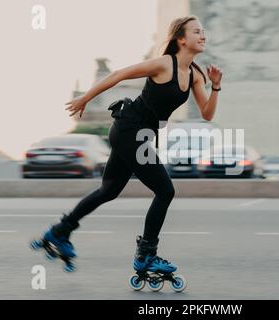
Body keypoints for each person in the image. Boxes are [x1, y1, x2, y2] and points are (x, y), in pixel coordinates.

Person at [35, 16, 222, 275]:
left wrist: (216, 87)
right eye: (196, 31)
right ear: (181, 39)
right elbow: (119, 74)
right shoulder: (163, 64)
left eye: (204, 31)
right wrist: (85, 98)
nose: (203, 36)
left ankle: (59, 232)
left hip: (137, 135)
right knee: (165, 191)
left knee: (109, 190)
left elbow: (207, 114)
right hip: (128, 130)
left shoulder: (195, 74)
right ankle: (146, 255)